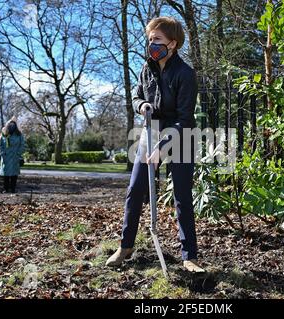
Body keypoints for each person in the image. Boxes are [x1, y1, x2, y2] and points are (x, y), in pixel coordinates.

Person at [106, 17, 205, 273]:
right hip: (151, 129)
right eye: (150, 39)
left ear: (173, 43)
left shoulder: (185, 74)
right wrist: (142, 105)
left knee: (181, 196)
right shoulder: (146, 68)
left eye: (157, 40)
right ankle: (125, 246)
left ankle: (189, 256)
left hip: (180, 133)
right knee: (135, 189)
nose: (152, 44)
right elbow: (137, 94)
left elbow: (185, 118)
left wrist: (163, 146)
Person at [0, 117, 25, 193]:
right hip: (6, 156)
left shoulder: (19, 135)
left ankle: (13, 189)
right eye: (10, 125)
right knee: (6, 174)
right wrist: (2, 153)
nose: (12, 126)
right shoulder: (4, 134)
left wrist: (18, 153)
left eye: (13, 125)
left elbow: (22, 145)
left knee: (14, 174)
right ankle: (5, 189)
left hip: (15, 156)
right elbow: (0, 145)